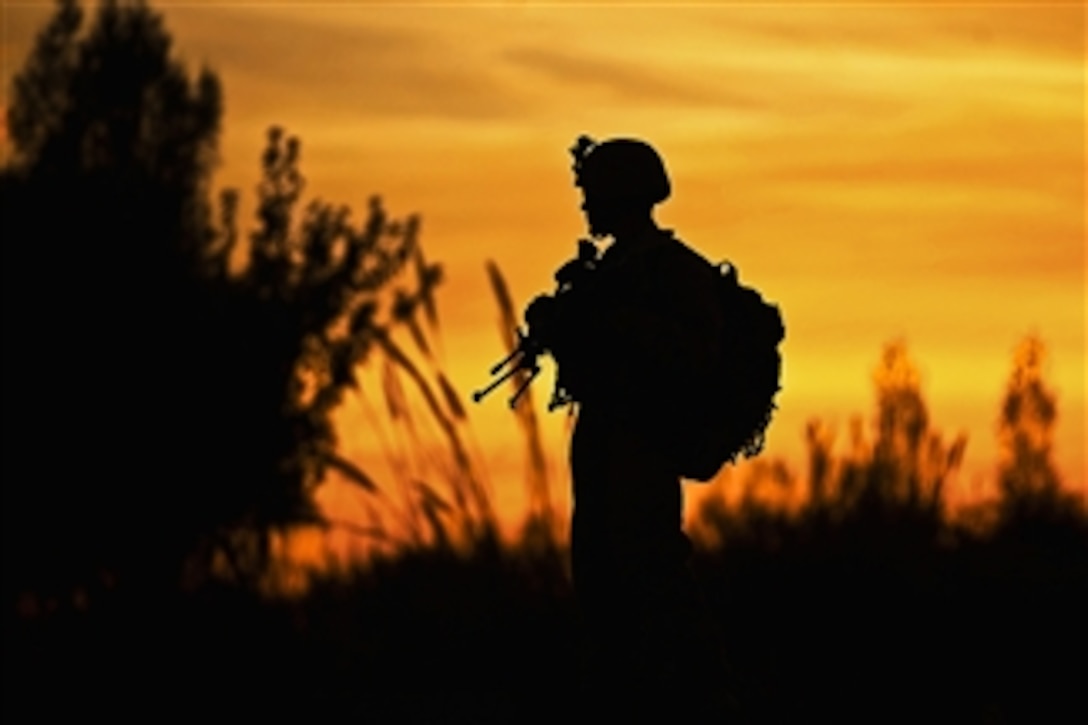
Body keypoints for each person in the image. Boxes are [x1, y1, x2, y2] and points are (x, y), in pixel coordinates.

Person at [526, 137, 736, 716]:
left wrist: (608, 322)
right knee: (601, 592)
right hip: (601, 450)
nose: (585, 204)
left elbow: (691, 356)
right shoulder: (606, 275)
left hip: (642, 453)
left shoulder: (676, 272)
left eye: (592, 191)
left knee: (654, 589)